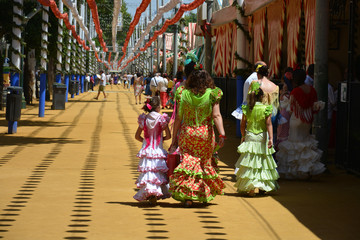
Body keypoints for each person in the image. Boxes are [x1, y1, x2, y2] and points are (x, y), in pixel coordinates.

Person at [169, 68, 226, 207]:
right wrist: (222, 134)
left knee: (188, 162)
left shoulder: (183, 93)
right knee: (204, 163)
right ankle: (203, 193)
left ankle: (188, 195)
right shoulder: (212, 94)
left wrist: (174, 139)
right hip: (205, 134)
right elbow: (216, 115)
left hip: (187, 132)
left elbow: (178, 118)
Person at [276, 69, 326, 179]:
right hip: (307, 120)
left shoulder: (295, 91)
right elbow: (314, 105)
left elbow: (291, 109)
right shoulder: (312, 90)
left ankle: (295, 171)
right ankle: (307, 171)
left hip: (296, 119)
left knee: (294, 145)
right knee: (305, 143)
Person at [234, 82, 279, 196]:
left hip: (250, 135)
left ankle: (250, 187)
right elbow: (269, 124)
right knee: (263, 160)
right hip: (262, 136)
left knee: (250, 160)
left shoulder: (247, 108)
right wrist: (271, 139)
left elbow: (243, 123)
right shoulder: (266, 108)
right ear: (262, 96)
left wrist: (243, 135)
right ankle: (263, 186)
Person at [134, 97, 171, 204]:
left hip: (147, 149)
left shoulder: (144, 119)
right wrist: (160, 140)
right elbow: (168, 136)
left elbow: (137, 136)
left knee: (149, 172)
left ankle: (151, 193)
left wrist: (145, 142)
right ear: (158, 107)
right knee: (157, 172)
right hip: (158, 149)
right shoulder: (162, 119)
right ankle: (156, 192)